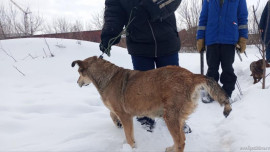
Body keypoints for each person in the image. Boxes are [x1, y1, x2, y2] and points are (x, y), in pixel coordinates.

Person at [99, 0, 192, 133]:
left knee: (173, 86)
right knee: (143, 88)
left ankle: (177, 118)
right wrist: (109, 32)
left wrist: (152, 8)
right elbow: (113, 11)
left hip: (166, 40)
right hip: (139, 45)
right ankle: (145, 118)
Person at [197, 0, 248, 103]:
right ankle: (211, 93)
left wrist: (243, 37)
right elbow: (203, 18)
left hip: (229, 39)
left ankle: (227, 93)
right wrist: (200, 37)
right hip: (212, 38)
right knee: (212, 68)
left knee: (228, 68)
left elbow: (242, 19)